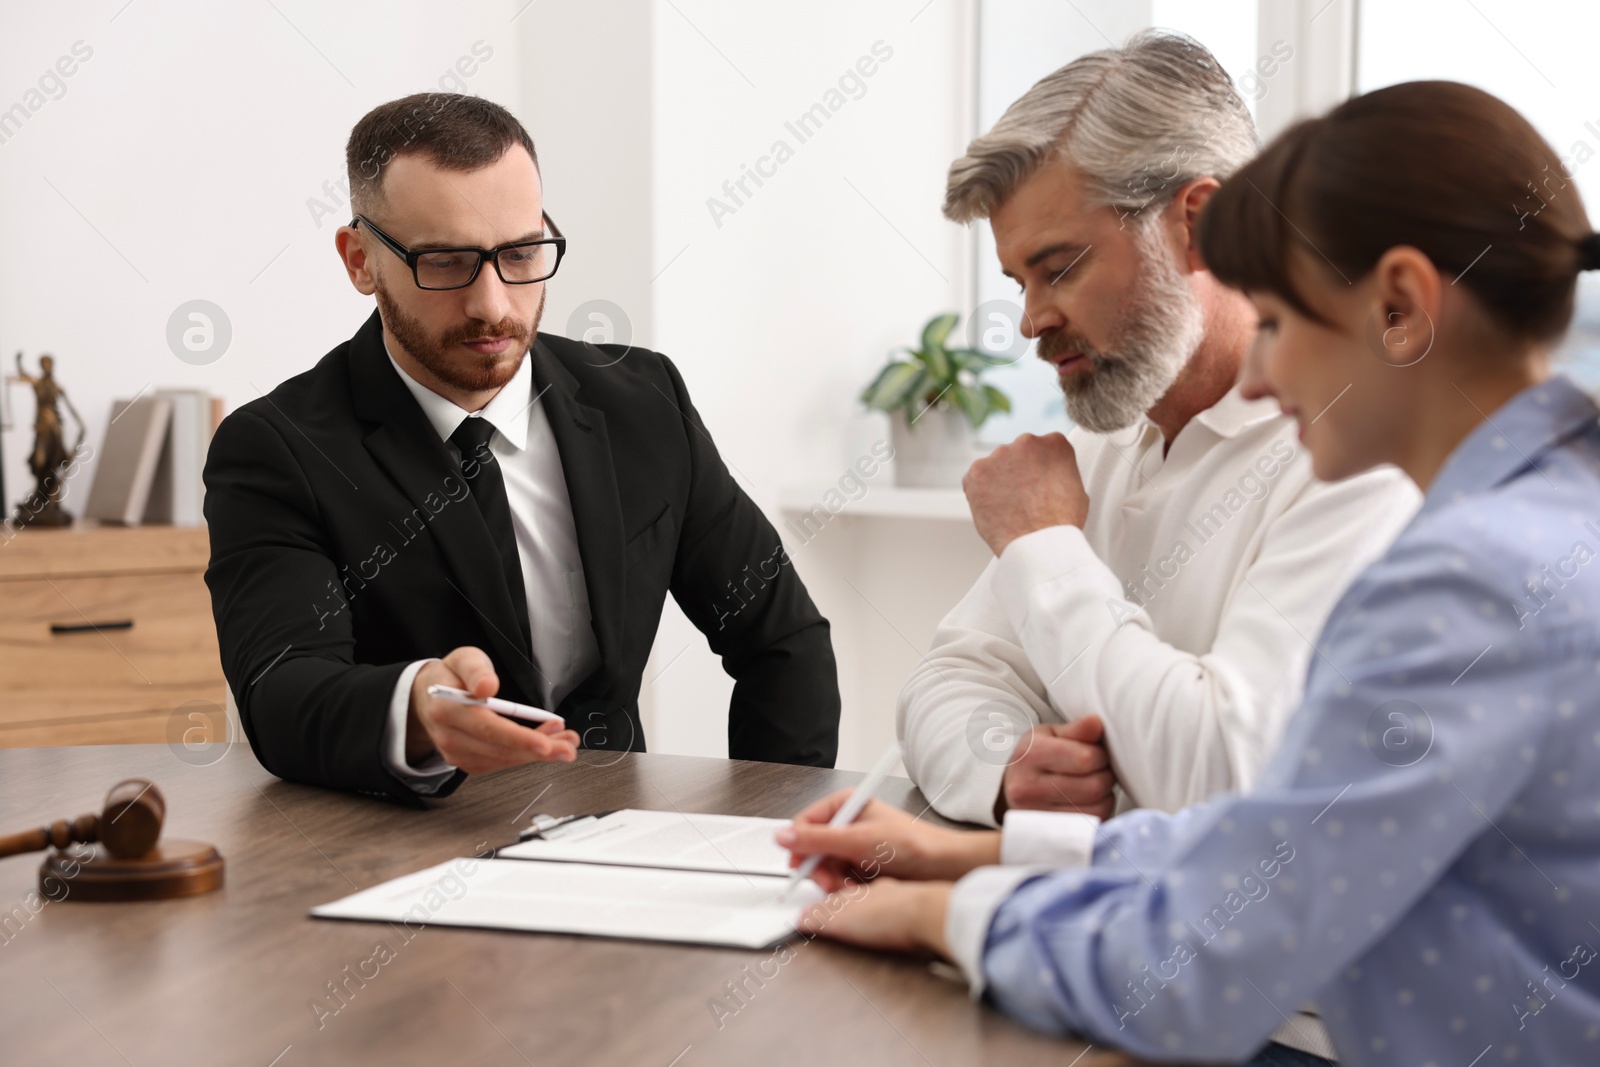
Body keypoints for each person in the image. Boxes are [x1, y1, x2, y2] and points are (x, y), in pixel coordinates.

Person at [781, 80, 1600, 1066]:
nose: (1259, 374)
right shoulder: (1537, 515)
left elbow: (1208, 952)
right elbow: (1285, 836)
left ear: (1398, 307)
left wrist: (949, 914)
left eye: (1280, 323)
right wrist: (981, 848)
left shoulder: (1462, 574)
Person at [204, 94, 840, 805]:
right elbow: (282, 689)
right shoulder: (277, 448)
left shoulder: (644, 402)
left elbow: (782, 640)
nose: (493, 304)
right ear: (360, 261)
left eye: (521, 254)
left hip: (615, 845)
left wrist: (773, 845)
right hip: (395, 860)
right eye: (444, 262)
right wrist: (414, 706)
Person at [899, 31, 1419, 839]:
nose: (1032, 319)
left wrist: (1044, 548)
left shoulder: (1358, 457)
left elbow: (1219, 771)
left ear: (1199, 223)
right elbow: (948, 678)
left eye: (1060, 266)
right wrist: (1006, 764)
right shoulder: (1109, 445)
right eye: (1019, 281)